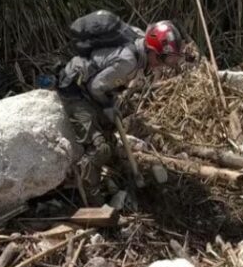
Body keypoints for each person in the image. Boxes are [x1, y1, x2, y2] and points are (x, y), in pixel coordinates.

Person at [58, 17, 184, 206]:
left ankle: (117, 175)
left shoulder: (140, 41)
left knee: (109, 130)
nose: (163, 65)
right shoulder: (129, 62)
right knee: (99, 148)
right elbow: (95, 86)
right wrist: (108, 106)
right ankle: (91, 197)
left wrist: (111, 104)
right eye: (162, 58)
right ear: (151, 50)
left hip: (89, 86)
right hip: (75, 90)